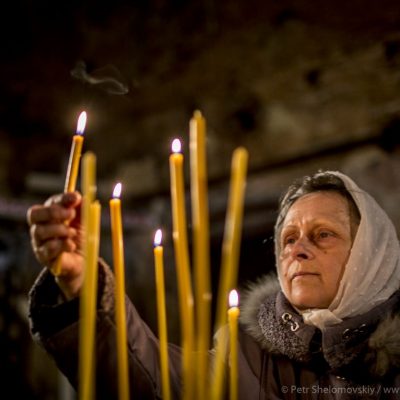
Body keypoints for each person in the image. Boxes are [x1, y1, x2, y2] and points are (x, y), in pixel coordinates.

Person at [27, 170, 400, 399]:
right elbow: (157, 382)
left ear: (372, 254)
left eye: (322, 235)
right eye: (288, 239)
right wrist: (82, 284)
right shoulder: (249, 355)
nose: (297, 250)